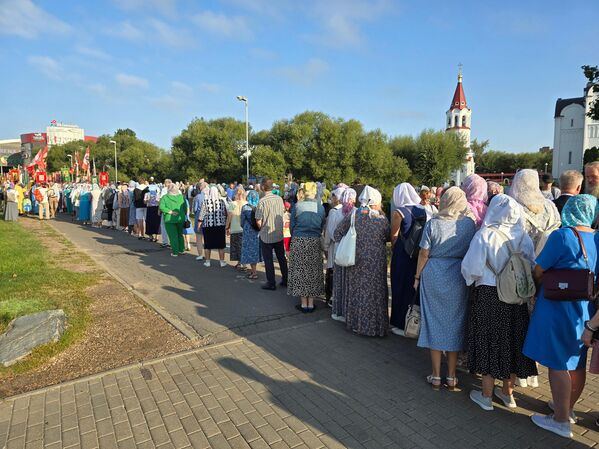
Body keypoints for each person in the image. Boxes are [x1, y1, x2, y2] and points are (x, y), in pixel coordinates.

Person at [524, 195, 598, 439]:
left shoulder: (562, 235)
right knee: (576, 361)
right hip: (584, 308)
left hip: (557, 306)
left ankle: (560, 419)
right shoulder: (597, 238)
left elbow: (539, 268)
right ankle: (569, 408)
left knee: (557, 364)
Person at [461, 194, 538, 411]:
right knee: (513, 342)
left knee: (489, 341)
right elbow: (531, 264)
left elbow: (471, 268)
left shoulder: (485, 235)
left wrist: (471, 281)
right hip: (516, 295)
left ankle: (485, 396)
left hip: (489, 294)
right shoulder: (523, 236)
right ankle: (508, 394)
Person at [414, 187, 476, 390]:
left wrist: (417, 277)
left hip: (434, 273)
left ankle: (435, 375)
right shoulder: (469, 224)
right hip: (458, 276)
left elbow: (424, 253)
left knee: (433, 324)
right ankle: (451, 377)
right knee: (455, 325)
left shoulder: (434, 223)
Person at [334, 186, 390, 336]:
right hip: (376, 262)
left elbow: (337, 233)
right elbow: (387, 238)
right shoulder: (382, 219)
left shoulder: (354, 216)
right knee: (375, 293)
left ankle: (356, 324)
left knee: (357, 291)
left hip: (356, 259)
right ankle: (374, 328)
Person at [389, 183, 427, 336]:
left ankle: (399, 322)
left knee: (399, 285)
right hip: (416, 253)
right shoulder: (422, 210)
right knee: (412, 286)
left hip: (402, 253)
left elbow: (394, 236)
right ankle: (412, 321)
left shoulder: (399, 212)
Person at [288, 182, 326, 312]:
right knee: (313, 271)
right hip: (314, 241)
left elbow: (292, 226)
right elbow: (322, 225)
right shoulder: (320, 207)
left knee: (301, 271)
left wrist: (297, 236)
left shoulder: (297, 206)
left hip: (299, 240)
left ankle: (304, 303)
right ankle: (311, 303)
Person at [255, 178, 288, 290]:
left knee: (268, 260)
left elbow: (258, 219)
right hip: (278, 232)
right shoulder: (279, 199)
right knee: (281, 258)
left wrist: (261, 228)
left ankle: (271, 282)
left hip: (266, 234)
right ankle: (286, 279)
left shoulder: (262, 201)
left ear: (263, 187)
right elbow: (283, 212)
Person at [331, 188, 356, 322]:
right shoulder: (356, 212)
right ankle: (347, 310)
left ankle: (338, 310)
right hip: (351, 251)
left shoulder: (336, 212)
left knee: (338, 280)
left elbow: (332, 232)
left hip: (338, 249)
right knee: (348, 282)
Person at [323, 186, 345, 310]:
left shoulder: (334, 212)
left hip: (334, 246)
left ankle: (331, 297)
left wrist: (325, 246)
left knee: (332, 272)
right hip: (346, 247)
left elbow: (329, 231)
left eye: (334, 196)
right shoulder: (352, 210)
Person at [198, 185, 228, 267]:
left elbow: (201, 215)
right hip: (220, 225)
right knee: (221, 245)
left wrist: (199, 225)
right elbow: (225, 213)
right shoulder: (221, 201)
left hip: (208, 225)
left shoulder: (205, 201)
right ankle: (222, 262)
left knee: (208, 244)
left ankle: (208, 262)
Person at [159, 182, 187, 257]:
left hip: (169, 219)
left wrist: (170, 212)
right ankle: (181, 249)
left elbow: (161, 207)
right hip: (180, 218)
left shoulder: (165, 197)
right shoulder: (182, 197)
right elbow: (185, 208)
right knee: (180, 234)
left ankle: (175, 252)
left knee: (173, 236)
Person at [240, 190, 262, 280]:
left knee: (249, 250)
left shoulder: (245, 208)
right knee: (255, 250)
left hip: (248, 231)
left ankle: (254, 272)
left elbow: (241, 222)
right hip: (258, 231)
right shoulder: (260, 207)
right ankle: (254, 270)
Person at [226, 186, 247, 269]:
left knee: (237, 247)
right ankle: (243, 263)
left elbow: (229, 216)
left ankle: (240, 263)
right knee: (243, 246)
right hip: (244, 228)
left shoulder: (232, 204)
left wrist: (227, 226)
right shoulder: (247, 203)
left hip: (235, 228)